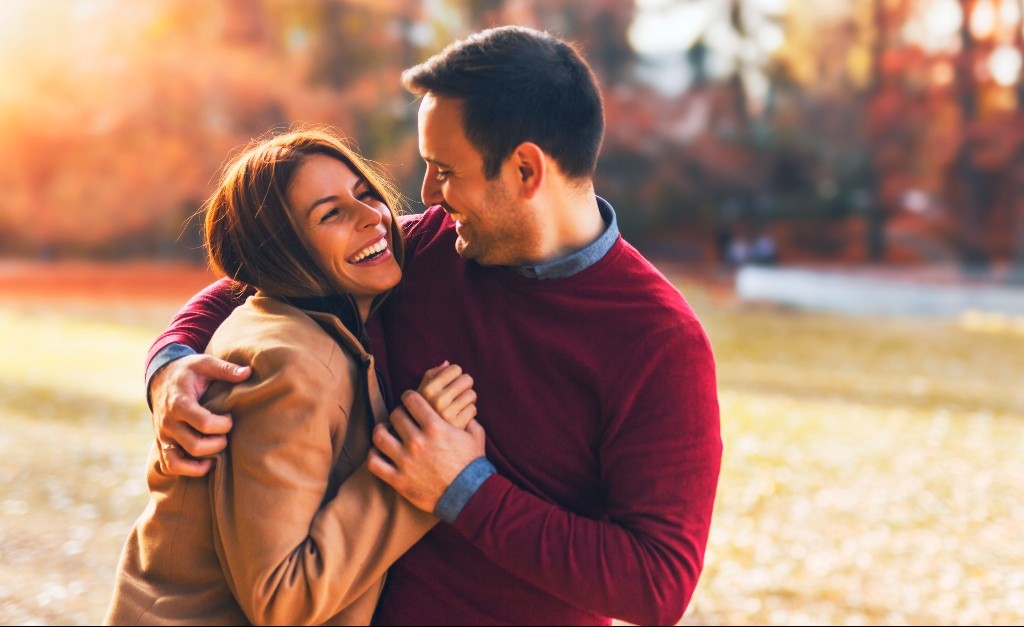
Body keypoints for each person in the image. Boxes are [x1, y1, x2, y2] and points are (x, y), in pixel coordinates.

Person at [144, 26, 722, 625]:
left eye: (444, 170)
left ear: (526, 170)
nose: (425, 195)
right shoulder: (426, 249)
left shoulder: (657, 342)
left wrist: (463, 488)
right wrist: (170, 366)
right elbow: (261, 278)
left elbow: (658, 584)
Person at [106, 128, 479, 625]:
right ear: (280, 252)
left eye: (365, 194)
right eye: (331, 214)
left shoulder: (310, 326)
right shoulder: (288, 366)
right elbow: (280, 599)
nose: (373, 217)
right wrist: (416, 474)